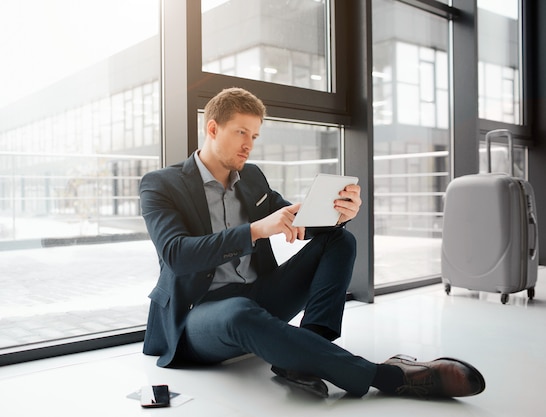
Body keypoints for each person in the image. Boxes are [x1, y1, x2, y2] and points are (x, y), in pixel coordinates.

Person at [139, 87, 485, 398]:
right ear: (212, 129)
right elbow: (176, 255)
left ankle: (307, 353)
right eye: (241, 132)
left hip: (259, 297)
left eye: (255, 135)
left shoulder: (253, 177)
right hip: (196, 316)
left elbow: (296, 223)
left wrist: (338, 214)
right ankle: (388, 377)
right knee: (238, 314)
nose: (249, 144)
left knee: (339, 241)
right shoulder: (161, 184)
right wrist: (256, 230)